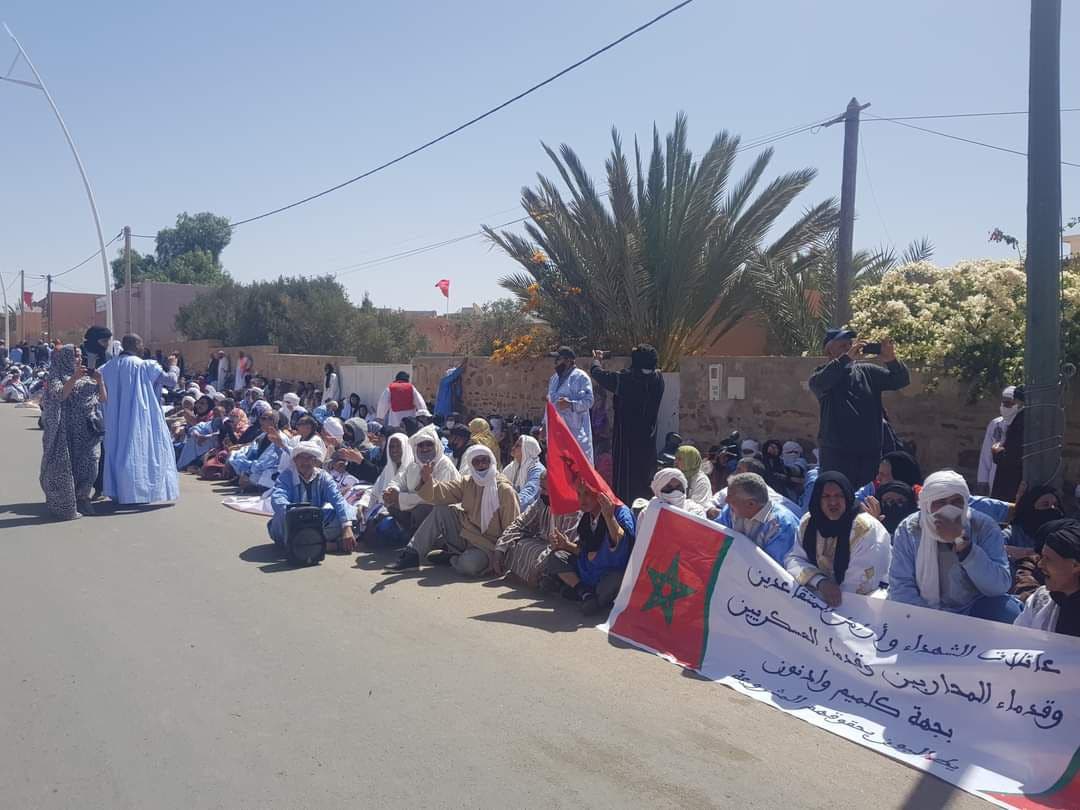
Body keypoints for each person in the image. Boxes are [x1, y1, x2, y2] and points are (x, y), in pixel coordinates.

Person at [888, 470, 1019, 622]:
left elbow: (999, 586)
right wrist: (929, 621)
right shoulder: (909, 529)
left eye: (956, 501)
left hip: (973, 609)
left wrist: (964, 546)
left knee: (1008, 611)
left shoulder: (983, 526)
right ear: (927, 505)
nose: (949, 509)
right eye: (941, 502)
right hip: (924, 611)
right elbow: (901, 585)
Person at [384, 445, 519, 575]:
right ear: (471, 465)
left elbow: (512, 527)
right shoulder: (468, 482)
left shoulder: (504, 490)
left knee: (469, 566)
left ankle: (452, 558)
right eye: (476, 462)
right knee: (441, 510)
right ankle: (412, 555)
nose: (481, 465)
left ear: (492, 461)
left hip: (488, 545)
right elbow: (441, 492)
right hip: (467, 534)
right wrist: (427, 480)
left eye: (485, 460)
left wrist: (501, 553)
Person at [808, 329, 910, 489]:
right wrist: (845, 359)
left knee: (866, 501)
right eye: (843, 346)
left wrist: (891, 360)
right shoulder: (822, 374)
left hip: (869, 453)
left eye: (850, 345)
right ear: (829, 350)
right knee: (836, 495)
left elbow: (901, 380)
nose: (849, 348)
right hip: (837, 454)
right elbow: (819, 383)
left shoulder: (868, 372)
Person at [785, 472, 892, 606]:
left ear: (847, 496)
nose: (833, 502)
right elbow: (794, 559)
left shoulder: (865, 529)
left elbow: (861, 582)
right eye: (826, 496)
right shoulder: (809, 522)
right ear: (818, 498)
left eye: (839, 495)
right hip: (819, 596)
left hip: (862, 601)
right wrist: (819, 582)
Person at [99, 334, 180, 505]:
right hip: (142, 417)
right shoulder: (145, 366)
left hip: (115, 418)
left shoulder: (107, 367)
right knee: (141, 451)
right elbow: (171, 381)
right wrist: (173, 366)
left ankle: (119, 491)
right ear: (136, 345)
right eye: (141, 342)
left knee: (118, 451)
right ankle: (138, 491)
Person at [542, 482, 636, 614]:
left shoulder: (620, 512)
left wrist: (609, 518)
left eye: (587, 494)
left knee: (615, 583)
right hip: (589, 569)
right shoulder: (587, 517)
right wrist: (566, 545)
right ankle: (585, 593)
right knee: (556, 557)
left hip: (610, 571)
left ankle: (580, 593)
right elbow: (584, 552)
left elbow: (621, 544)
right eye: (579, 494)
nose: (582, 500)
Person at [589, 344, 665, 504]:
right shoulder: (658, 379)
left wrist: (597, 360)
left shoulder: (628, 380)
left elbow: (598, 374)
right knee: (645, 479)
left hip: (627, 442)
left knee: (626, 484)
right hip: (647, 440)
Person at [39, 345, 107, 519]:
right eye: (75, 356)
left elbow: (102, 399)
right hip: (66, 431)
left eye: (79, 356)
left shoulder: (87, 378)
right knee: (70, 466)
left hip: (88, 430)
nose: (79, 359)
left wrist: (100, 381)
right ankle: (70, 501)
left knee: (92, 463)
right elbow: (59, 395)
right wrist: (74, 378)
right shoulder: (56, 376)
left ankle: (84, 496)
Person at [493, 471, 582, 587]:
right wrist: (500, 548)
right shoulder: (542, 502)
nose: (541, 492)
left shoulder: (572, 509)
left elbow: (563, 544)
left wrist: (538, 566)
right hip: (544, 544)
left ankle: (546, 580)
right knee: (516, 543)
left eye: (545, 489)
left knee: (553, 556)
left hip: (562, 550)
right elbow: (521, 523)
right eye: (541, 487)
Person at [268, 441, 356, 553]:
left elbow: (338, 500)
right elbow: (278, 499)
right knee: (279, 518)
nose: (306, 462)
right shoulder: (286, 476)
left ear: (315, 461)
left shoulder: (323, 477)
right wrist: (298, 515)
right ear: (295, 460)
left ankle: (308, 544)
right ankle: (326, 545)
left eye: (310, 458)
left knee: (346, 515)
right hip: (292, 522)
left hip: (314, 522)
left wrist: (346, 527)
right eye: (302, 458)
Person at [381, 424, 462, 542]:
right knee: (391, 503)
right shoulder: (414, 464)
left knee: (423, 509)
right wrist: (392, 490)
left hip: (444, 511)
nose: (425, 448)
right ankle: (413, 535)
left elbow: (434, 497)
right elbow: (398, 480)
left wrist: (401, 498)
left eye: (429, 444)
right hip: (414, 505)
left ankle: (424, 540)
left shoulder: (444, 465)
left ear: (437, 445)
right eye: (421, 445)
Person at [716, 472, 799, 565]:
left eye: (731, 497)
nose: (726, 500)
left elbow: (772, 566)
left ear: (751, 504)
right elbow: (717, 537)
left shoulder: (781, 525)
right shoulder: (731, 509)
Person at [1014, 519, 1080, 637]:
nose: (1040, 564)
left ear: (1075, 565)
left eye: (1048, 559)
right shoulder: (1039, 600)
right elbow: (1016, 640)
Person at [546, 347, 595, 461]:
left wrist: (571, 404)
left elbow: (589, 401)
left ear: (568, 361)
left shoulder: (581, 377)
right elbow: (550, 403)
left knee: (577, 471)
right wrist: (544, 425)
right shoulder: (554, 379)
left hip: (575, 433)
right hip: (557, 434)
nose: (555, 362)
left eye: (558, 359)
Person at [977, 386, 1020, 495]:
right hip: (994, 475)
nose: (1005, 407)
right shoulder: (996, 424)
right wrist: (983, 481)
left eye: (1009, 404)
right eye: (1003, 403)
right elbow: (986, 454)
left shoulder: (1022, 425)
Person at [991, 385, 1025, 502]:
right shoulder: (1019, 419)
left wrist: (997, 451)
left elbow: (1012, 458)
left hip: (1010, 482)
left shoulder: (1020, 423)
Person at [503, 434, 545, 511]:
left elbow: (530, 493)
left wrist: (510, 506)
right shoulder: (513, 466)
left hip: (529, 514)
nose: (513, 447)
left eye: (517, 446)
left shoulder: (537, 469)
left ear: (526, 449)